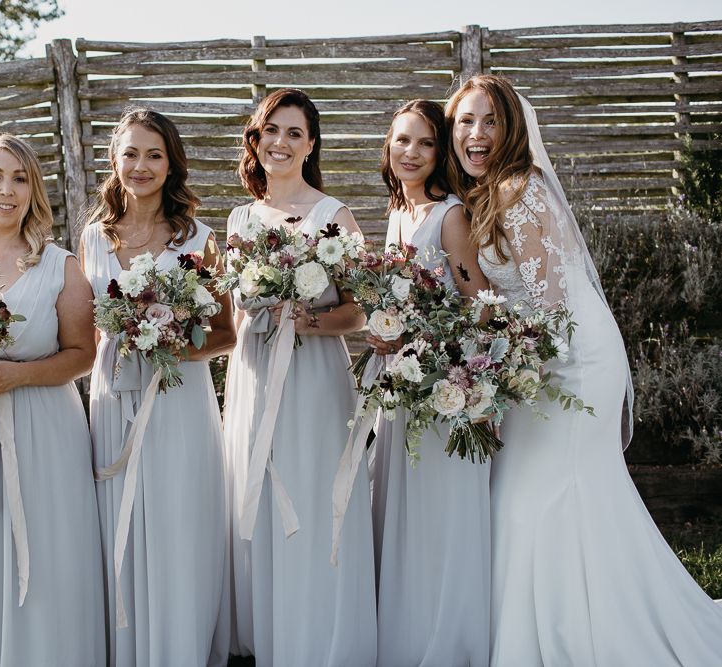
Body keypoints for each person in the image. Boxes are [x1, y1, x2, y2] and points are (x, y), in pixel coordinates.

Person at [446, 74, 722, 666]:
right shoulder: (493, 192)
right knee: (531, 492)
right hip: (541, 354)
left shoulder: (520, 190)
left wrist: (497, 380)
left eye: (490, 121)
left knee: (546, 495)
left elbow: (551, 305)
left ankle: (578, 637)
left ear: (513, 129)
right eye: (465, 122)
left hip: (569, 360)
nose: (476, 134)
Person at [225, 88, 377, 667]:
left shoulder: (333, 215)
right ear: (256, 139)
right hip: (255, 371)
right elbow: (236, 310)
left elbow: (360, 312)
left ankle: (319, 631)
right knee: (257, 491)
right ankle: (271, 629)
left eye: (295, 133)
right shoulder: (240, 217)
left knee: (313, 494)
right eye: (271, 131)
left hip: (312, 375)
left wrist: (306, 318)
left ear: (311, 144)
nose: (281, 143)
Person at [80, 108, 234, 667]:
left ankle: (178, 647)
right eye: (130, 154)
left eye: (153, 154)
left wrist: (165, 343)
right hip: (111, 396)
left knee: (176, 520)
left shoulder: (199, 238)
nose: (140, 166)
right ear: (114, 162)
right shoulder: (93, 237)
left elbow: (224, 335)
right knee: (116, 514)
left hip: (177, 402)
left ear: (171, 164)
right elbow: (85, 328)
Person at [369, 100, 492, 666]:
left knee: (440, 512)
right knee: (405, 510)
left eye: (423, 143)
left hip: (442, 383)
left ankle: (452, 639)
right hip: (402, 381)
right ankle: (408, 631)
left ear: (440, 153)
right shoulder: (398, 214)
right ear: (388, 148)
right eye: (401, 141)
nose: (410, 153)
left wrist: (428, 341)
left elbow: (480, 305)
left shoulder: (449, 216)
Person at [0, 133, 105, 665]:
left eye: (19, 178)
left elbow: (84, 354)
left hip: (45, 428)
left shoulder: (58, 265)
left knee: (48, 552)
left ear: (34, 190)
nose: (6, 191)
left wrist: (19, 377)